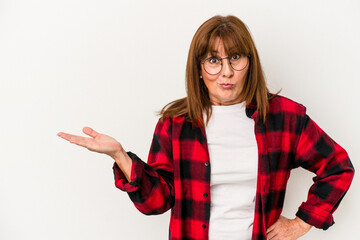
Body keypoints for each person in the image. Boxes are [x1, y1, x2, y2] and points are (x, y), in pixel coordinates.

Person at [57, 15, 355, 240]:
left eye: (235, 58)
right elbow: (157, 203)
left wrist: (302, 223)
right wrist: (121, 156)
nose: (226, 71)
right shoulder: (175, 123)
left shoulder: (283, 117)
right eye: (213, 60)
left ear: (249, 61)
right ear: (199, 68)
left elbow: (338, 166)